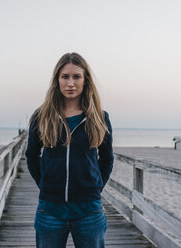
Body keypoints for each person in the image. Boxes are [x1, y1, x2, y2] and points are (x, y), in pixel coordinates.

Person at [25, 52, 114, 248]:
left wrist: (95, 187)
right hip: (50, 211)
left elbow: (106, 158)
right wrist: (46, 184)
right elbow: (31, 156)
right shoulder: (42, 116)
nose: (70, 83)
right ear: (57, 80)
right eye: (65, 77)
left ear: (85, 80)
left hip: (89, 211)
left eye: (76, 76)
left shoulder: (99, 117)